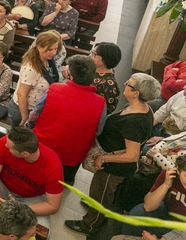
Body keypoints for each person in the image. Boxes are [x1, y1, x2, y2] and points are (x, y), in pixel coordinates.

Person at [65, 73, 159, 236]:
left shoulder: (134, 122)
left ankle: (90, 225)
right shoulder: (142, 108)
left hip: (114, 168)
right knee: (98, 190)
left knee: (101, 194)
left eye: (129, 84)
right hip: (111, 160)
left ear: (136, 93)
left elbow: (132, 155)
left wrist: (104, 157)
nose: (124, 84)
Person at [33, 55, 107, 184]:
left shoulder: (54, 88)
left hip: (43, 145)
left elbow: (34, 114)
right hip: (73, 154)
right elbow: (98, 130)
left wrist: (30, 127)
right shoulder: (101, 103)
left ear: (71, 76)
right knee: (63, 181)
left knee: (36, 173)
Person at [0, 127, 63, 229]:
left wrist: (18, 208)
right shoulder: (5, 142)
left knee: (41, 229)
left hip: (32, 198)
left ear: (25, 154)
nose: (5, 145)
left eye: (10, 147)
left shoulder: (53, 167)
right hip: (3, 185)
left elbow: (53, 206)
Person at [119, 155, 186, 238]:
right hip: (170, 213)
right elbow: (148, 206)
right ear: (178, 170)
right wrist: (165, 185)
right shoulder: (169, 174)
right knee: (136, 214)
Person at [7, 30, 62, 127]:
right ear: (39, 48)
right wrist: (25, 117)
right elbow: (21, 95)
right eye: (50, 49)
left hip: (37, 108)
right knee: (18, 139)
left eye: (55, 49)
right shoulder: (31, 68)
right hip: (23, 109)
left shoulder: (48, 61)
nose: (54, 53)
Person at [90, 42, 122, 115]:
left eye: (94, 54)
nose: (90, 55)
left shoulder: (108, 85)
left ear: (105, 60)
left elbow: (106, 110)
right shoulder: (93, 67)